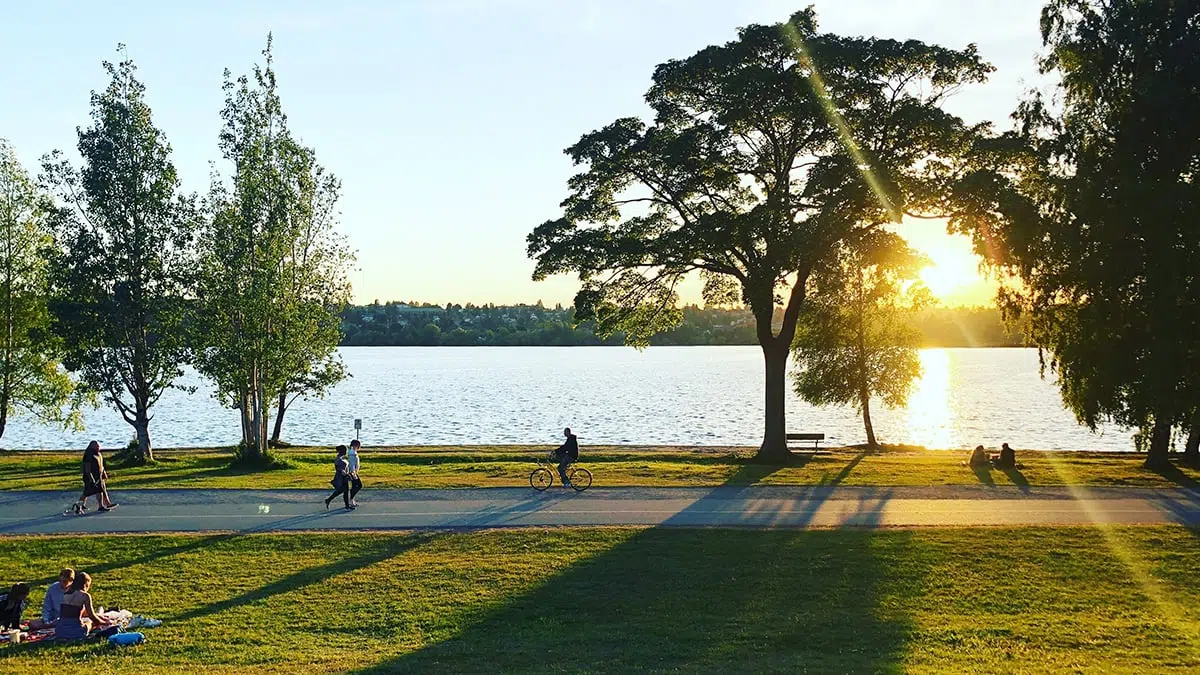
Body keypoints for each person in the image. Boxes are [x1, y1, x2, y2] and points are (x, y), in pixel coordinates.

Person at [55, 572, 113, 641]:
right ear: (86, 584)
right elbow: (93, 617)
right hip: (76, 632)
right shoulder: (85, 596)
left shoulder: (66, 594)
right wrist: (104, 623)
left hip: (59, 631)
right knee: (89, 622)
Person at [77, 441, 117, 512]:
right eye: (97, 446)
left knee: (102, 490)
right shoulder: (88, 455)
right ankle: (99, 506)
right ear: (92, 446)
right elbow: (87, 468)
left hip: (99, 476)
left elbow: (101, 465)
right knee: (88, 492)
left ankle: (107, 503)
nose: (99, 447)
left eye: (99, 446)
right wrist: (91, 478)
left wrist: (104, 473)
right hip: (90, 477)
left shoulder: (98, 454)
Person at [324, 445, 354, 510]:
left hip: (343, 476)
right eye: (345, 450)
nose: (346, 451)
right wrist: (346, 474)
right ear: (342, 451)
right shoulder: (339, 460)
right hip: (341, 477)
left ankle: (346, 505)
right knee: (343, 490)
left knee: (345, 490)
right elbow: (341, 469)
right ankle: (329, 500)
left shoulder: (341, 458)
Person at [347, 440, 363, 507]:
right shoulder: (352, 453)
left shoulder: (353, 451)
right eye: (358, 445)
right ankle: (351, 500)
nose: (359, 447)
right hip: (353, 472)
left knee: (354, 486)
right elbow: (352, 463)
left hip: (354, 472)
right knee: (359, 485)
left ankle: (352, 500)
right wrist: (353, 473)